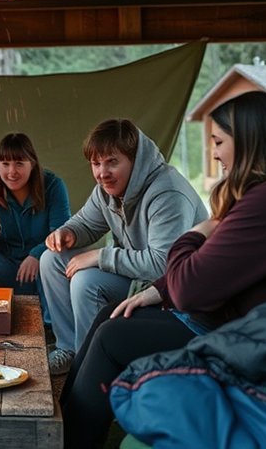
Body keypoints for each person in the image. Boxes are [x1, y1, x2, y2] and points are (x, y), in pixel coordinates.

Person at [60, 91, 266, 449]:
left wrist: (202, 227)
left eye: (218, 141)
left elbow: (190, 286)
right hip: (258, 321)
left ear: (248, 140)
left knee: (112, 338)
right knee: (113, 313)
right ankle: (61, 425)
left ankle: (72, 440)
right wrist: (161, 288)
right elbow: (214, 265)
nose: (213, 152)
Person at [40, 119, 208, 376]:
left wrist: (100, 256)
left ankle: (89, 367)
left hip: (170, 291)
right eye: (96, 163)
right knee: (51, 259)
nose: (102, 173)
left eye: (112, 162)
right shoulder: (106, 190)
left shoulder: (168, 193)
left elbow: (163, 264)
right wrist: (68, 232)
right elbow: (86, 222)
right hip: (135, 276)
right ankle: (69, 349)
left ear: (136, 160)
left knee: (86, 281)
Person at [0, 133, 70, 320]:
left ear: (32, 164)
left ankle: (52, 329)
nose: (12, 172)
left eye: (19, 163)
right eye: (5, 164)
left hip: (43, 269)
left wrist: (37, 254)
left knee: (55, 256)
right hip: (6, 267)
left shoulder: (53, 186)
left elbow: (61, 233)